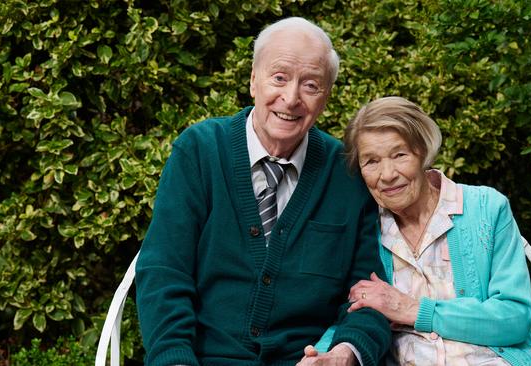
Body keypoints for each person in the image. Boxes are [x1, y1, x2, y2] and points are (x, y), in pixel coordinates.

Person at [135, 17, 390, 366]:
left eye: (311, 85)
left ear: (326, 97)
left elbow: (369, 291)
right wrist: (174, 358)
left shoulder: (346, 170)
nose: (291, 98)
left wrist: (346, 352)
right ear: (253, 80)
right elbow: (164, 271)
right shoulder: (199, 151)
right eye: (279, 77)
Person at [340, 96, 531, 365]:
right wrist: (333, 353)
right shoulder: (364, 228)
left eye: (399, 155)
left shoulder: (486, 208)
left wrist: (412, 309)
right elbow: (348, 315)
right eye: (371, 161)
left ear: (423, 152)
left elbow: (513, 319)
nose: (387, 174)